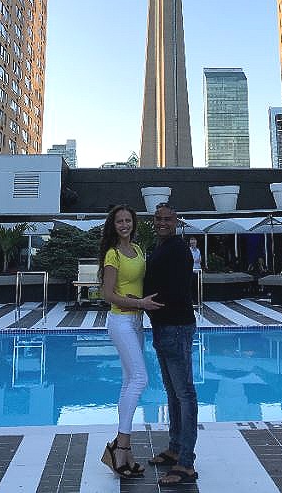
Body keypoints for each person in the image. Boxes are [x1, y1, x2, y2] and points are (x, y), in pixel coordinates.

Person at [98, 203, 163, 478]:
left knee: (128, 382)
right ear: (113, 226)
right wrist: (141, 304)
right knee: (140, 379)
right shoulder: (113, 255)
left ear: (133, 224)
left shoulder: (137, 250)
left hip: (136, 321)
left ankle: (121, 449)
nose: (124, 225)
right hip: (121, 321)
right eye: (119, 221)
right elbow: (107, 295)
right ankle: (121, 444)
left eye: (128, 220)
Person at [144, 202, 198, 487]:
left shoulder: (178, 250)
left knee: (184, 393)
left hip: (175, 326)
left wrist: (148, 302)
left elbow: (176, 290)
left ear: (176, 221)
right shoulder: (162, 247)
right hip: (163, 327)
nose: (162, 222)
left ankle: (186, 462)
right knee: (173, 393)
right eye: (158, 218)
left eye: (167, 218)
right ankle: (175, 446)